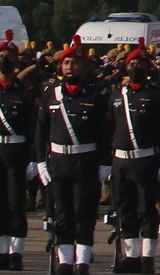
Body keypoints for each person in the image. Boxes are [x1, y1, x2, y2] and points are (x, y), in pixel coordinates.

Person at [36, 37, 112, 275]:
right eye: (66, 63)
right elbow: (41, 130)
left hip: (85, 160)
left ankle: (82, 261)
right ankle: (65, 261)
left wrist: (105, 163)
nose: (70, 67)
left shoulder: (96, 95)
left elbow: (105, 132)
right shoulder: (51, 94)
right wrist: (40, 161)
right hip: (59, 161)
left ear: (84, 67)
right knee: (62, 213)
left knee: (83, 212)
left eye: (75, 63)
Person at [0, 31, 39, 270]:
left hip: (17, 151)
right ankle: (0, 251)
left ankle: (16, 253)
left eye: (9, 56)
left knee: (15, 203)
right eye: (1, 56)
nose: (4, 60)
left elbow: (32, 127)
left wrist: (33, 159)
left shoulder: (24, 92)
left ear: (16, 62)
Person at [111, 40, 160, 275]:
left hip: (146, 160)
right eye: (132, 64)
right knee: (125, 208)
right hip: (121, 160)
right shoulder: (117, 94)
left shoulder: (157, 94)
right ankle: (131, 256)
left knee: (147, 209)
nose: (135, 68)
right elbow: (110, 126)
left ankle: (147, 258)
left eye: (140, 64)